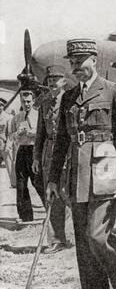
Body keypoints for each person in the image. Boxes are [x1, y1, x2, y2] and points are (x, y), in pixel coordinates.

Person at [46, 38, 116, 289]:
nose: (76, 67)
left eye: (81, 61)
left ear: (94, 60)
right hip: (76, 175)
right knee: (84, 244)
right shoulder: (69, 96)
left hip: (105, 171)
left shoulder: (114, 91)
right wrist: (52, 178)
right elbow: (62, 139)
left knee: (98, 236)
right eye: (72, 62)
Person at [33, 65, 71, 254]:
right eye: (48, 82)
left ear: (63, 81)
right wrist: (36, 157)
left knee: (70, 193)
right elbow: (40, 133)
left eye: (55, 81)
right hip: (49, 150)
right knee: (53, 195)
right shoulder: (45, 103)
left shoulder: (71, 100)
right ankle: (57, 240)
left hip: (69, 151)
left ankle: (77, 236)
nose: (51, 85)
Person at [10, 90, 44, 222]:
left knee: (38, 182)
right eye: (24, 102)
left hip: (35, 150)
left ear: (33, 101)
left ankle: (52, 214)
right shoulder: (17, 117)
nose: (26, 104)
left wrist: (32, 133)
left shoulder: (38, 115)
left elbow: (44, 134)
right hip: (22, 150)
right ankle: (26, 216)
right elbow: (11, 135)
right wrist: (17, 134)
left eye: (29, 101)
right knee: (21, 183)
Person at [0, 98, 15, 186]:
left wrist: (8, 146)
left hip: (4, 145)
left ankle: (14, 183)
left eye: (0, 105)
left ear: (3, 106)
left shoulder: (8, 117)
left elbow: (10, 134)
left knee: (10, 165)